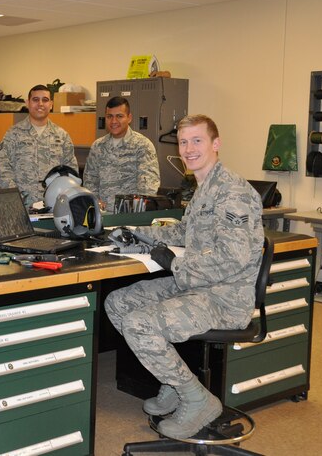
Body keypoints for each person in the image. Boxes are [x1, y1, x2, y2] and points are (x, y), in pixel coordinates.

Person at [104, 114, 263, 439]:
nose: (189, 149)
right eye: (183, 142)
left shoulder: (232, 192)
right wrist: (141, 235)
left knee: (139, 324)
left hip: (224, 298)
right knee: (118, 302)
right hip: (197, 286)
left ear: (215, 144)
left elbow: (232, 258)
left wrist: (174, 265)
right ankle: (176, 384)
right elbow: (186, 230)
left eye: (197, 141)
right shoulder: (204, 187)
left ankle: (197, 399)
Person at [0, 84, 77, 207]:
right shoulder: (13, 134)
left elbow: (71, 173)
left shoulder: (62, 136)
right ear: (27, 103)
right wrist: (18, 198)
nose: (40, 104)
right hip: (22, 207)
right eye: (35, 100)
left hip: (54, 208)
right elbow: (2, 171)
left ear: (51, 104)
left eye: (45, 100)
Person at [83, 96, 160, 212]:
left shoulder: (142, 146)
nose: (114, 121)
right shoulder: (98, 146)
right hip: (102, 214)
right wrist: (95, 202)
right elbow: (90, 180)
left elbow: (148, 188)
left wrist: (134, 211)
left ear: (129, 118)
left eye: (119, 116)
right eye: (110, 116)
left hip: (129, 216)